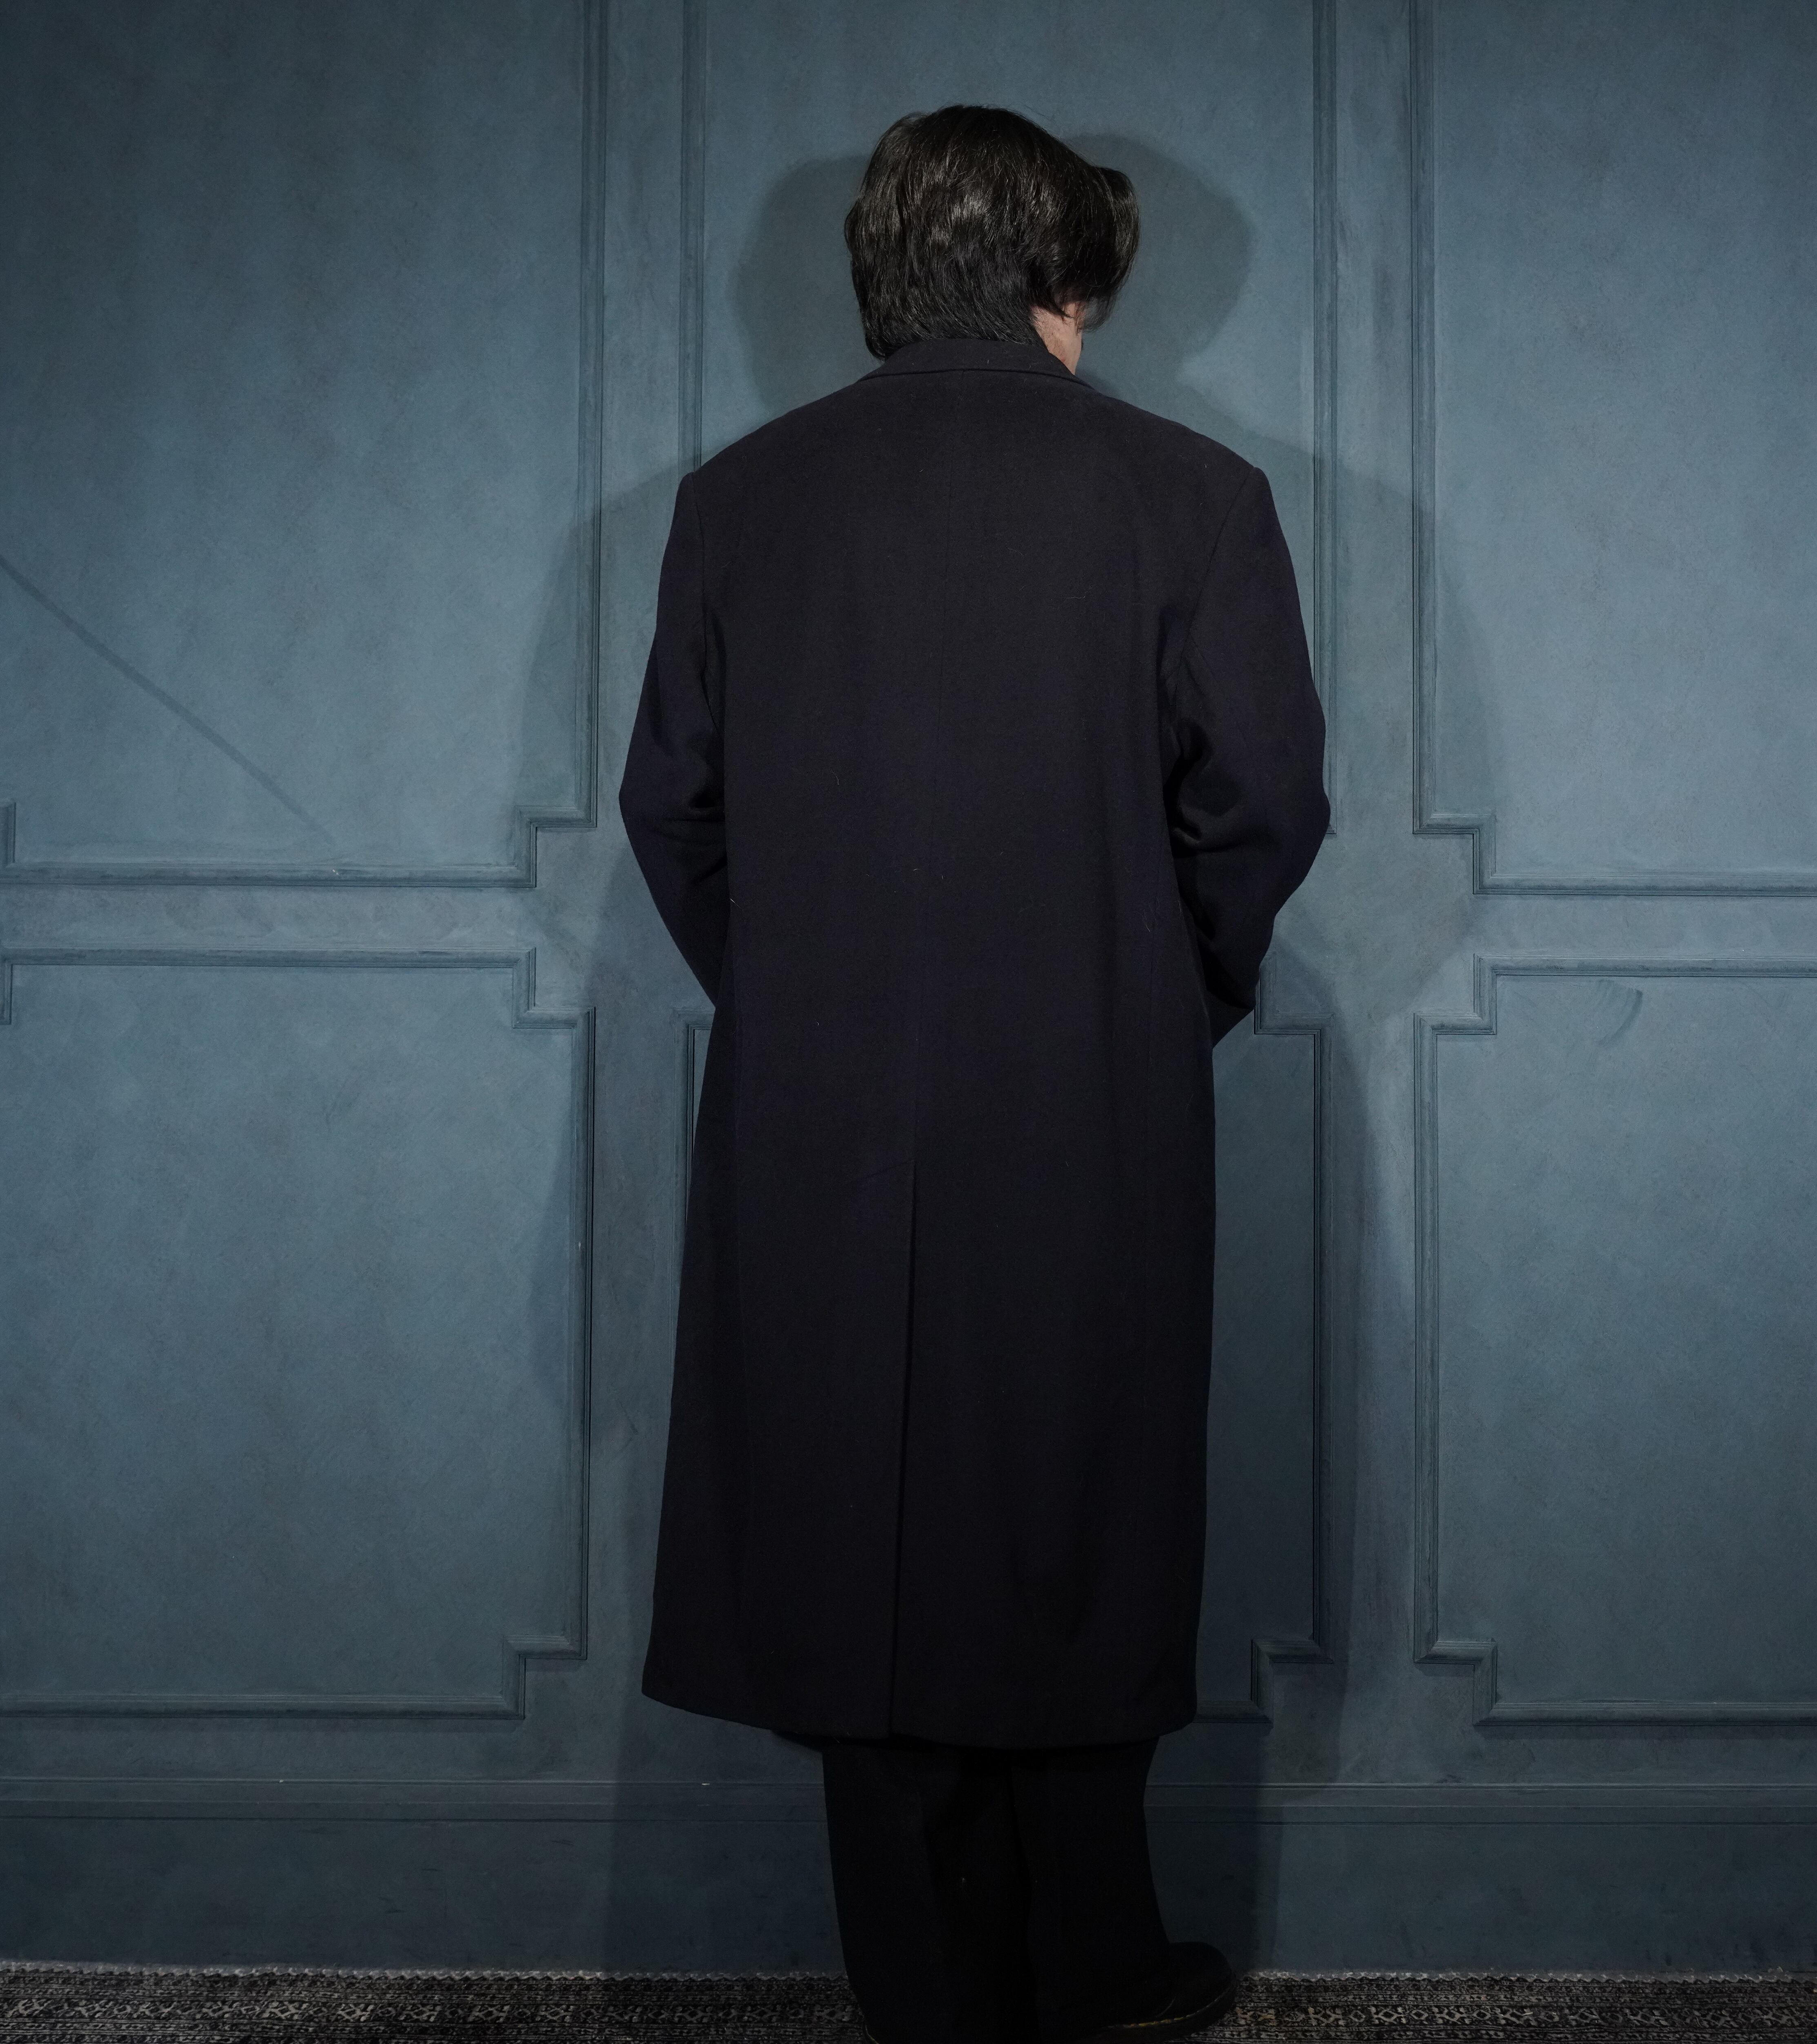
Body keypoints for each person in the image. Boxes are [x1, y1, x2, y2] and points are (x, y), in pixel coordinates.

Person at [619, 103, 1328, 2044]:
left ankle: (925, 1989)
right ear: (1054, 277)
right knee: (1080, 1503)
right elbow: (1265, 802)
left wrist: (799, 995)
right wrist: (1158, 986)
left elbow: (672, 805)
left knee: (856, 1509)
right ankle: (1095, 1963)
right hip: (1092, 1089)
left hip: (817, 1104)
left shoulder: (739, 500)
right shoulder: (1191, 497)